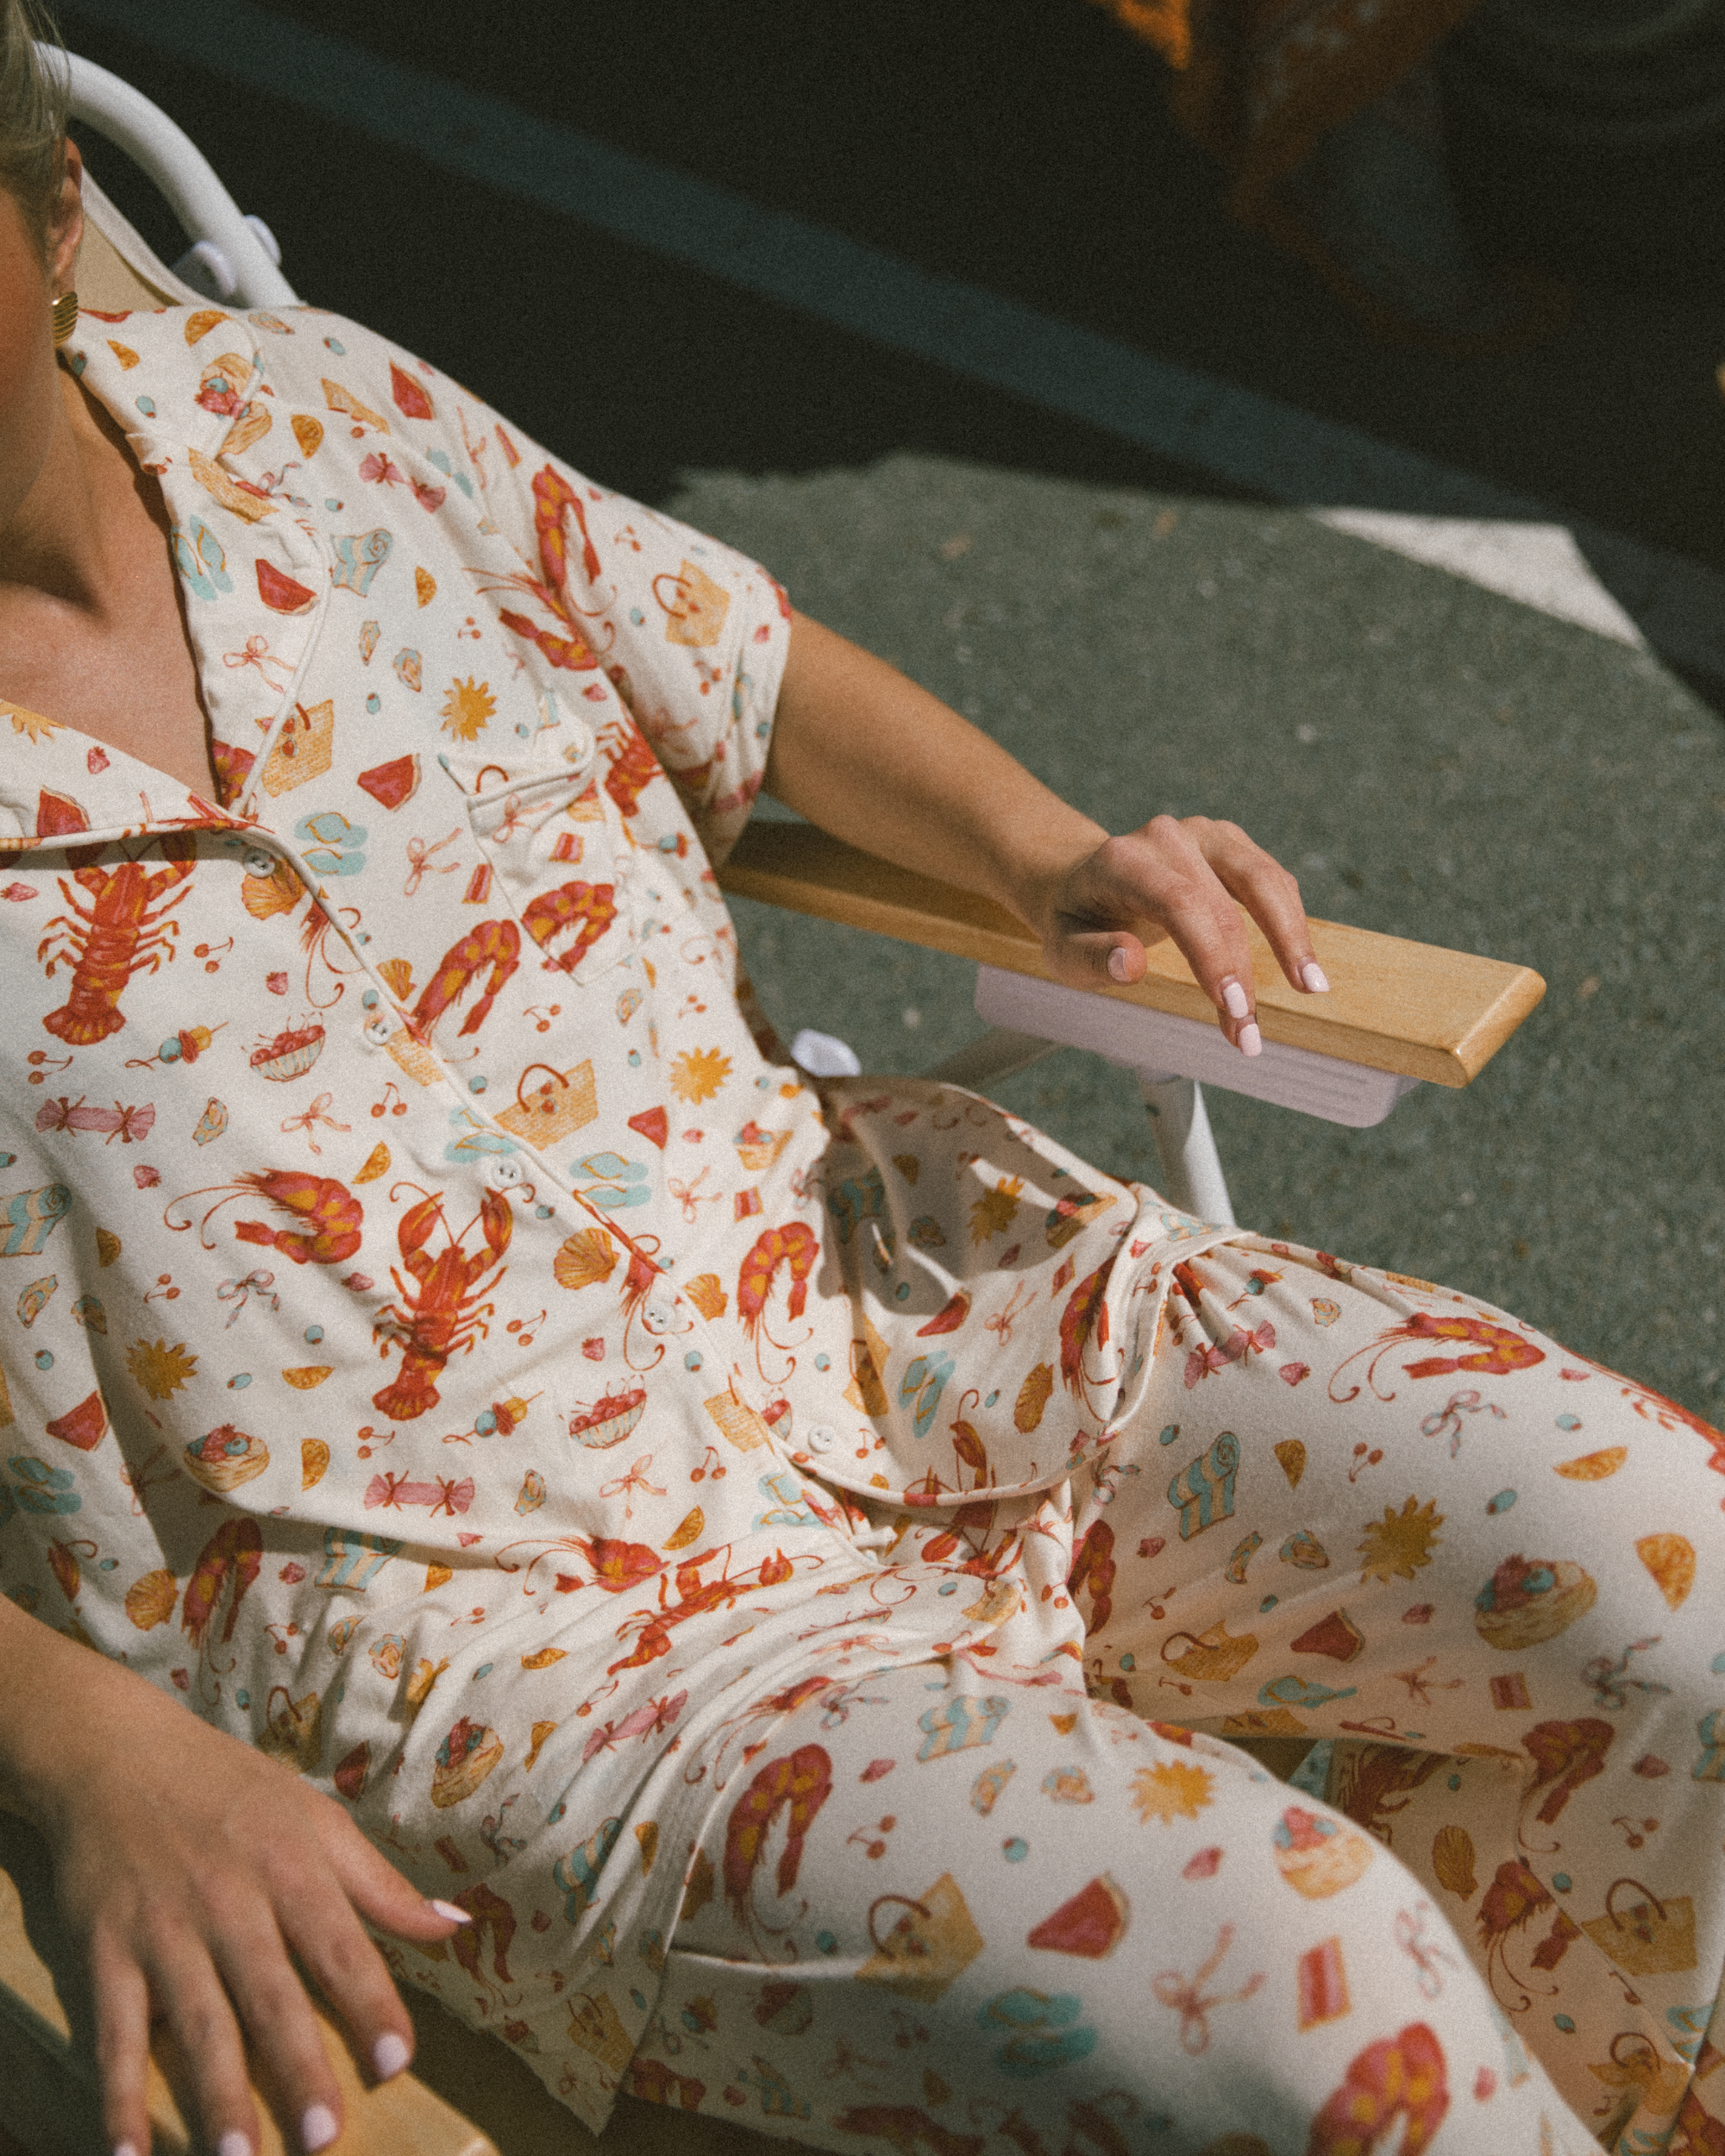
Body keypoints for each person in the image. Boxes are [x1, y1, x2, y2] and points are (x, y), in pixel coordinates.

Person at [2, 11, 1722, 2156]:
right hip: (529, 1650)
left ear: (58, 215)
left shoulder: (309, 414)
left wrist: (1044, 852)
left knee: (1676, 1589)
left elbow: (721, 639)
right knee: (1316, 1985)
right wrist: (75, 1745)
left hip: (912, 1311)